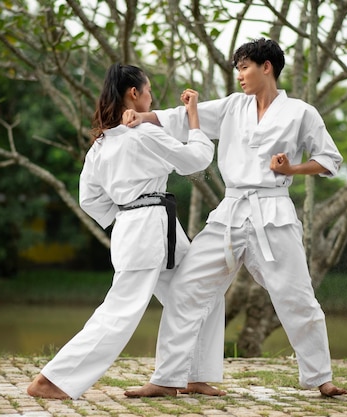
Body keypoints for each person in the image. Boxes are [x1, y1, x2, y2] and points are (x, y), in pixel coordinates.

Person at [123, 38, 347, 398]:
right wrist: (143, 116)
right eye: (238, 68)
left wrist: (293, 167)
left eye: (244, 67)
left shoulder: (301, 112)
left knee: (297, 297)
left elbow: (330, 160)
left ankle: (321, 378)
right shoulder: (232, 107)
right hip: (229, 214)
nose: (239, 75)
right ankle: (167, 378)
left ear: (266, 67)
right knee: (186, 289)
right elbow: (181, 119)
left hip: (273, 213)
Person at [26, 63, 218, 400]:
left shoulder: (100, 145)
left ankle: (194, 375)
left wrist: (127, 210)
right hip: (147, 225)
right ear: (134, 93)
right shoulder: (143, 132)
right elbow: (196, 160)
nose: (152, 97)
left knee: (204, 288)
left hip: (144, 224)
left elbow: (89, 199)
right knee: (122, 309)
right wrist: (194, 118)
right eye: (148, 91)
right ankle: (52, 380)